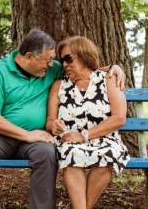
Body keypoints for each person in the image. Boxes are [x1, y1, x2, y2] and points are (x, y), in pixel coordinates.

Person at [0, 29, 125, 209]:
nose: (52, 64)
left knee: (46, 154)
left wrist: (113, 68)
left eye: (53, 59)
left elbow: (85, 69)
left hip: (38, 137)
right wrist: (27, 135)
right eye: (48, 60)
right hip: (0, 135)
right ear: (29, 56)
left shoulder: (51, 69)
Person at [46, 36, 130, 209]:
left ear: (84, 55)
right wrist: (53, 126)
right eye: (62, 60)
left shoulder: (108, 79)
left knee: (107, 155)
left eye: (68, 58)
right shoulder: (59, 85)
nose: (64, 64)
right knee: (70, 152)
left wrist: (84, 135)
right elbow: (50, 121)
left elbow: (119, 118)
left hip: (105, 139)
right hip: (69, 140)